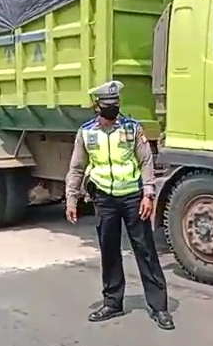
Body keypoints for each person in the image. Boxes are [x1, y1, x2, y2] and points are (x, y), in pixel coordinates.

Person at [65, 80, 174, 331]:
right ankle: (112, 302)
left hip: (133, 197)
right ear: (96, 106)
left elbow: (146, 161)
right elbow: (77, 167)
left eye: (115, 105)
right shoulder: (86, 132)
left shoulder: (132, 128)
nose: (112, 109)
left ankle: (159, 307)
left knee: (145, 250)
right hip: (104, 198)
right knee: (109, 250)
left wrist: (148, 193)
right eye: (107, 105)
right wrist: (72, 198)